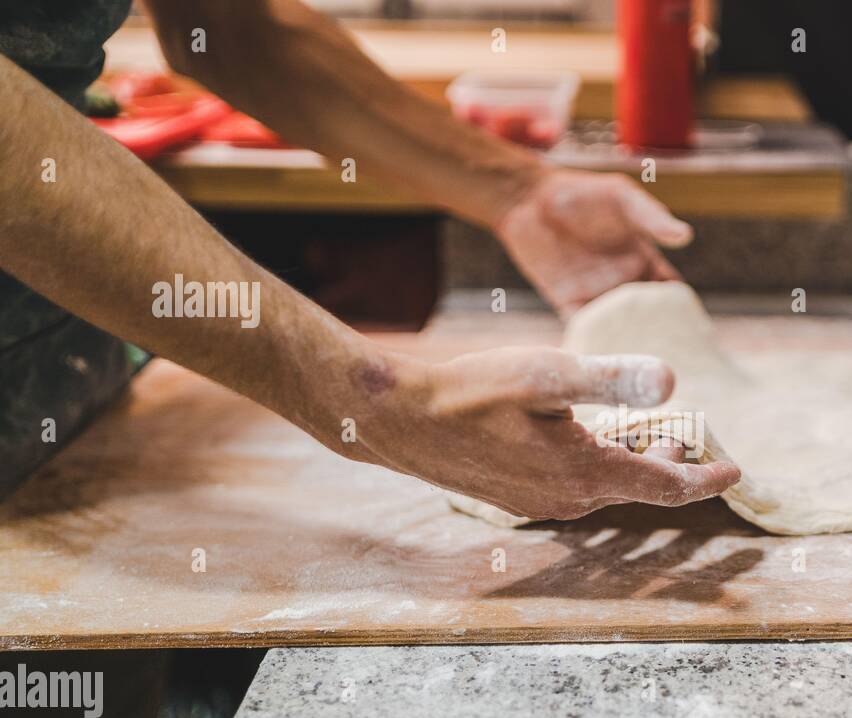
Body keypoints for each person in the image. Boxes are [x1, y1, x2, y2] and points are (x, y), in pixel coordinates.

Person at [0, 0, 740, 516]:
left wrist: (518, 190)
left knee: (86, 717)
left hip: (62, 385)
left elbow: (231, 24)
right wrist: (376, 399)